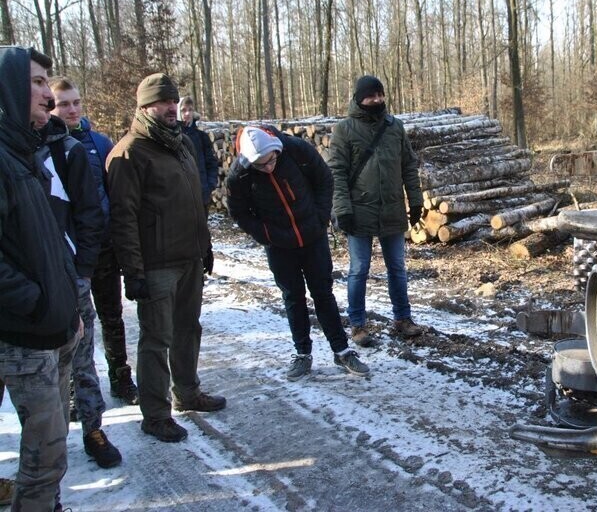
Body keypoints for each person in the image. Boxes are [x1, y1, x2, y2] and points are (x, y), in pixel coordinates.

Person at [106, 72, 225, 443]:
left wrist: (203, 245)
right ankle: (155, 414)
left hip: (189, 257)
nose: (172, 108)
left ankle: (187, 392)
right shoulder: (129, 152)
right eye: (163, 102)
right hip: (156, 265)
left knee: (189, 328)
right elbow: (122, 218)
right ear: (144, 107)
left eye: (173, 101)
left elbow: (195, 203)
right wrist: (133, 271)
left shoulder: (182, 144)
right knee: (157, 339)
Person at [0, 45, 81, 511]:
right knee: (44, 455)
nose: (48, 94)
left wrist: (66, 302)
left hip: (54, 326)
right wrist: (35, 302)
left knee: (51, 450)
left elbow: (50, 239)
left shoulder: (25, 151)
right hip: (24, 333)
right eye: (35, 82)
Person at [226, 126, 370, 379]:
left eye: (271, 161)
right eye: (261, 166)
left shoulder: (295, 150)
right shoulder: (240, 176)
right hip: (279, 245)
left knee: (323, 293)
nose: (268, 168)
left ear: (276, 151)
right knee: (293, 296)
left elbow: (324, 179)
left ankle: (342, 351)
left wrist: (320, 217)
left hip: (312, 236)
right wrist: (267, 235)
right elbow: (239, 213)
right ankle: (302, 354)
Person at [34, 100, 122, 469]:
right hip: (27, 282)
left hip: (72, 276)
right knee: (38, 372)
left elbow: (89, 211)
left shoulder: (68, 150)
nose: (56, 104)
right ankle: (38, 451)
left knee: (82, 356)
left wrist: (82, 267)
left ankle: (93, 429)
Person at [50, 76, 140, 406]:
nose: (72, 109)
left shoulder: (99, 143)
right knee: (75, 326)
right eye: (64, 104)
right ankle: (77, 389)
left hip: (103, 248)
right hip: (67, 254)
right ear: (50, 105)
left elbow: (114, 194)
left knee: (112, 316)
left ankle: (121, 377)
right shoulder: (44, 146)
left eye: (76, 102)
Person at [328, 75, 426, 345]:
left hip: (392, 209)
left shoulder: (395, 127)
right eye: (371, 96)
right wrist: (342, 209)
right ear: (360, 99)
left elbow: (408, 165)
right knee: (359, 269)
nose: (377, 100)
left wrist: (415, 200)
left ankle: (403, 319)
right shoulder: (344, 130)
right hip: (359, 211)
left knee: (397, 267)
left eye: (380, 95)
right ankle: (357, 325)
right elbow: (336, 172)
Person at [178, 96, 219, 211]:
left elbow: (212, 163)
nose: (187, 113)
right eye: (183, 110)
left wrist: (209, 185)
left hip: (202, 195)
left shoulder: (202, 137)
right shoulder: (171, 137)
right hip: (180, 198)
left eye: (190, 110)